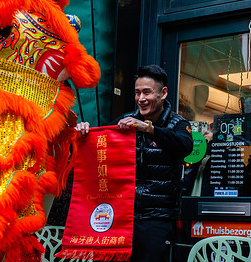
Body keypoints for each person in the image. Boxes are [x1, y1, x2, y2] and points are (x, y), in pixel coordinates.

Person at [75, 64, 193, 262]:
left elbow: (184, 145)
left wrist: (148, 128)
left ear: (163, 93)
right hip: (121, 216)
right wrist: (84, 132)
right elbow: (99, 144)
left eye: (147, 92)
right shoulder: (125, 121)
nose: (141, 99)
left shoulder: (178, 124)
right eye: (137, 93)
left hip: (157, 219)